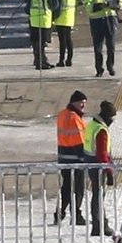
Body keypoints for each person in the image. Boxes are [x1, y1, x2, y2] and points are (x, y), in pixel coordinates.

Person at [54, 90, 89, 224]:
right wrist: (84, 159)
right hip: (75, 158)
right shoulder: (74, 118)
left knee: (66, 187)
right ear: (74, 102)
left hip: (63, 156)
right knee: (78, 188)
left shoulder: (62, 114)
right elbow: (79, 141)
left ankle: (59, 212)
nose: (83, 105)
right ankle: (76, 215)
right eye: (81, 102)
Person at [84, 98, 118, 236]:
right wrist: (109, 171)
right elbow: (102, 154)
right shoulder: (101, 130)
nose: (113, 121)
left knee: (97, 195)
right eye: (112, 117)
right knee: (98, 195)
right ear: (107, 116)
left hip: (91, 163)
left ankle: (100, 223)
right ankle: (99, 225)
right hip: (98, 166)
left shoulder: (92, 124)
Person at [83, 0, 118, 77]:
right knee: (98, 47)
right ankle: (99, 69)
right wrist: (99, 6)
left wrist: (117, 5)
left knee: (111, 46)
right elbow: (88, 7)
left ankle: (110, 66)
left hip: (110, 19)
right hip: (97, 21)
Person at [50, 0, 78, 69]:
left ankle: (61, 60)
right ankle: (69, 59)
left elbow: (58, 6)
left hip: (61, 18)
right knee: (68, 39)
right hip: (70, 17)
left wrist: (53, 18)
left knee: (62, 40)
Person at [27, 0, 53, 69]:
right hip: (44, 21)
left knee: (36, 43)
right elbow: (55, 5)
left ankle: (40, 61)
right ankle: (41, 63)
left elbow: (27, 8)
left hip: (34, 22)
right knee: (42, 44)